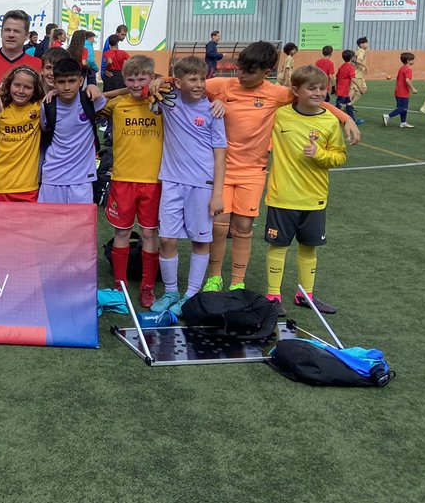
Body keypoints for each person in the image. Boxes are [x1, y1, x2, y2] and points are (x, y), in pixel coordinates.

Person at [192, 41, 358, 294]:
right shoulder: (221, 86)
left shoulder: (276, 93)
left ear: (267, 71)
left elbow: (313, 98)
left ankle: (238, 280)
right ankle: (214, 277)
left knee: (244, 227)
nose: (242, 75)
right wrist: (162, 82)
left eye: (250, 71)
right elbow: (184, 83)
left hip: (253, 171)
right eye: (240, 69)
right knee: (218, 225)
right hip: (220, 170)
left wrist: (345, 117)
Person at [264, 65, 347, 316]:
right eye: (311, 88)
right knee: (278, 246)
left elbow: (340, 156)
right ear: (296, 91)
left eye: (322, 88)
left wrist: (319, 154)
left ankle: (305, 295)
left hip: (315, 198)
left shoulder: (330, 122)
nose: (318, 92)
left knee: (309, 247)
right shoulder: (279, 115)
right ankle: (273, 295)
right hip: (283, 195)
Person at [150, 56, 227, 315]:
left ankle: (191, 295)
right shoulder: (167, 100)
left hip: (202, 184)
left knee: (199, 241)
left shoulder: (214, 110)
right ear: (179, 81)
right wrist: (159, 81)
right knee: (167, 238)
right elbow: (149, 87)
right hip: (172, 181)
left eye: (202, 79)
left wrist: (217, 194)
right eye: (192, 79)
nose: (198, 84)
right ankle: (171, 291)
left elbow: (220, 154)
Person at [101, 55, 163, 308]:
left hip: (153, 180)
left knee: (150, 232)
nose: (136, 84)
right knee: (122, 232)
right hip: (122, 179)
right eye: (131, 79)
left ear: (151, 77)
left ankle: (147, 287)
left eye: (141, 78)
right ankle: (120, 285)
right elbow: (90, 99)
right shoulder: (117, 104)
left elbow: (183, 87)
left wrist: (159, 84)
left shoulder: (162, 102)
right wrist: (122, 89)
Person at [37, 58, 107, 205]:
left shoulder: (90, 100)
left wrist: (93, 86)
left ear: (81, 81)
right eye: (61, 82)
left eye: (72, 81)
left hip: (82, 179)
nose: (67, 87)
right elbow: (44, 128)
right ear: (54, 83)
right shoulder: (48, 105)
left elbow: (121, 94)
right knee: (49, 224)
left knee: (80, 225)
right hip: (53, 176)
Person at [0, 65, 43, 202]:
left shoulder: (39, 107)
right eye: (17, 85)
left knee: (27, 224)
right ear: (9, 85)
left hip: (27, 185)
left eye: (27, 87)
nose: (21, 91)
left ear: (35, 89)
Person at [0, 10, 41, 85]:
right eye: (7, 30)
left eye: (16, 31)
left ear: (27, 35)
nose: (11, 35)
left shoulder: (37, 64)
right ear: (1, 32)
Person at [384, 53, 416, 128]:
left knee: (403, 108)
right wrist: (413, 88)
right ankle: (388, 116)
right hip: (403, 92)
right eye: (412, 59)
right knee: (403, 108)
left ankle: (403, 122)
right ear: (408, 61)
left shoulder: (402, 68)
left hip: (398, 91)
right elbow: (407, 80)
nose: (414, 61)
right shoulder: (408, 69)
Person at [334, 50, 360, 122]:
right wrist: (359, 87)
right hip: (343, 91)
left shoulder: (342, 66)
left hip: (341, 90)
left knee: (349, 104)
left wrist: (336, 87)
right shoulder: (350, 67)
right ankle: (332, 118)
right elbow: (353, 78)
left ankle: (353, 120)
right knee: (338, 107)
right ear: (351, 58)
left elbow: (337, 77)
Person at [350, 36, 369, 105]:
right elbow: (358, 60)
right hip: (357, 74)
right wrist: (366, 66)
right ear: (361, 44)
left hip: (358, 74)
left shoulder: (357, 51)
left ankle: (350, 104)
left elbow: (353, 61)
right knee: (354, 90)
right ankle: (346, 104)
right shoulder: (362, 51)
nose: (367, 44)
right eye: (366, 43)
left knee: (363, 89)